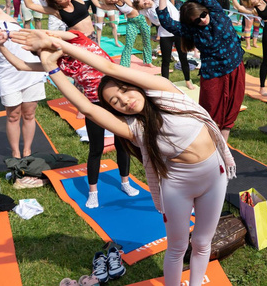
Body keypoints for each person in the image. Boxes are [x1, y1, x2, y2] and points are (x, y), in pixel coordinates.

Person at [12, 30, 234, 286]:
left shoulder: (166, 91)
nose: (124, 101)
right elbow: (87, 108)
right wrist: (52, 69)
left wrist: (58, 43)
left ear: (136, 86)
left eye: (126, 92)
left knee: (202, 242)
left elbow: (107, 67)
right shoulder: (134, 129)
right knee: (178, 247)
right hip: (178, 186)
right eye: (115, 102)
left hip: (215, 177)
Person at [0, 29, 139, 208]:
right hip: (95, 106)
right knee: (96, 149)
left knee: (122, 145)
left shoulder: (79, 39)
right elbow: (21, 65)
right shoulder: (60, 64)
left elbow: (44, 32)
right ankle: (93, 191)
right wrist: (1, 45)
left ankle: (125, 182)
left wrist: (8, 33)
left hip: (118, 101)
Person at [148, 0, 245, 142]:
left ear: (206, 11)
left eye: (202, 15)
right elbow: (166, 22)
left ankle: (223, 143)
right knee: (211, 110)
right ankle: (211, 144)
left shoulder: (217, 13)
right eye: (196, 20)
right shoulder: (192, 30)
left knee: (232, 107)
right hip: (214, 73)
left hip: (235, 67)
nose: (202, 20)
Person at [0, 0, 45, 159]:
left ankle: (27, 150)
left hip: (31, 71)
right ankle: (16, 153)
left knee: (29, 114)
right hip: (8, 77)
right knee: (13, 116)